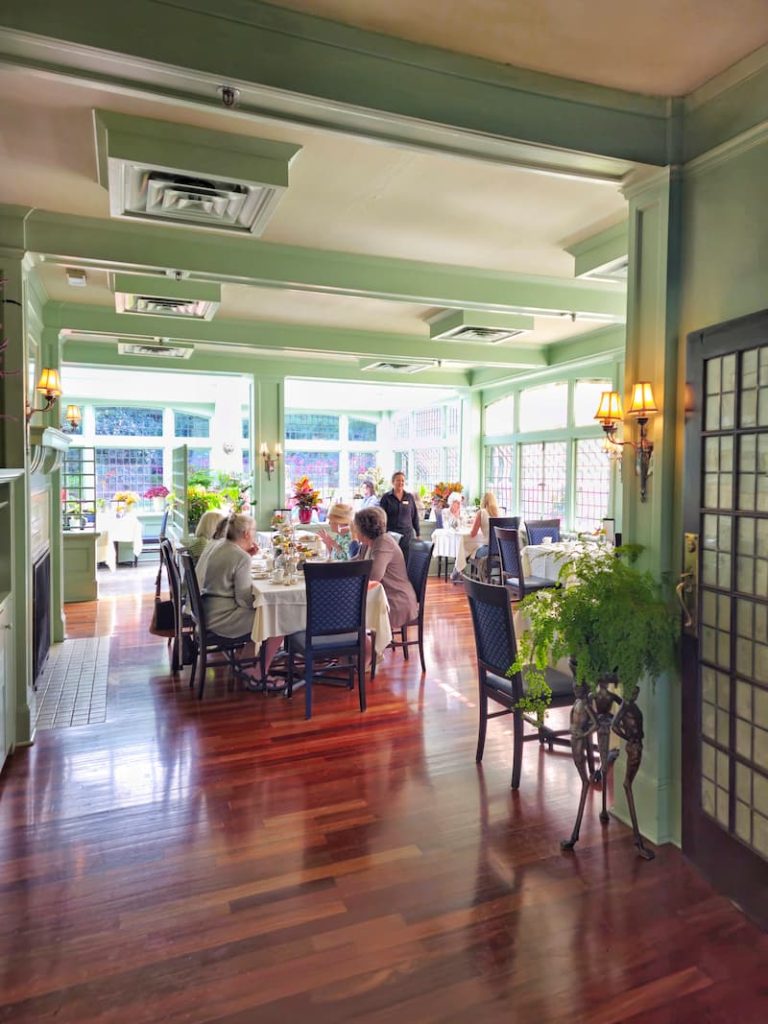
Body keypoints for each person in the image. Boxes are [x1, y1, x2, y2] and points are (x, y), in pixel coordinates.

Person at [197, 512, 282, 689]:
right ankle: (259, 674)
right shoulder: (240, 556)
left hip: (209, 610)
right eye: (254, 530)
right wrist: (266, 604)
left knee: (265, 613)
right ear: (246, 534)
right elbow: (243, 600)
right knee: (278, 620)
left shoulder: (221, 546)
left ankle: (247, 663)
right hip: (223, 617)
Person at [353, 507, 417, 631]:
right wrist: (335, 567)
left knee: (348, 609)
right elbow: (355, 561)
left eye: (356, 527)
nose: (354, 530)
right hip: (379, 597)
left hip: (395, 600)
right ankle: (358, 644)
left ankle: (360, 646)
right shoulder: (367, 544)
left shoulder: (383, 543)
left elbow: (374, 577)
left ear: (363, 529)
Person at [378, 471, 420, 554]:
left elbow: (414, 516)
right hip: (391, 534)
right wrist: (382, 533)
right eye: (398, 480)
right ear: (393, 482)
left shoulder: (409, 497)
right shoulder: (386, 497)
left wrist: (418, 533)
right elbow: (381, 517)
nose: (401, 482)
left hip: (407, 535)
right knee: (392, 559)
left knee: (407, 560)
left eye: (402, 480)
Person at [469, 491, 500, 560]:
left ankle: (460, 569)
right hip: (500, 549)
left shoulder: (481, 512)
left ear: (483, 501)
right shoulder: (499, 513)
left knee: (469, 552)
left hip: (488, 550)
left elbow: (473, 534)